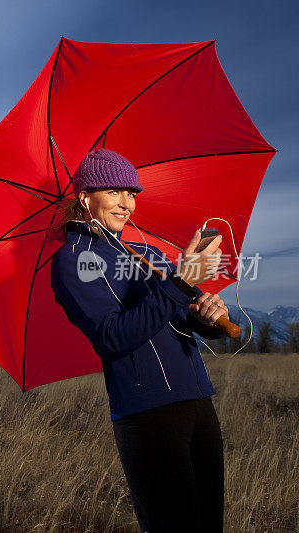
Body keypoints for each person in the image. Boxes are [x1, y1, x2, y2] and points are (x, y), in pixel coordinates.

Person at [49, 148, 229, 532]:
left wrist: (211, 317)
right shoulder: (73, 260)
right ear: (86, 197)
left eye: (131, 193)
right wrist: (182, 282)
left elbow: (184, 312)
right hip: (148, 414)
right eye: (114, 192)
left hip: (198, 402)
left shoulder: (146, 251)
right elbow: (113, 337)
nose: (127, 204)